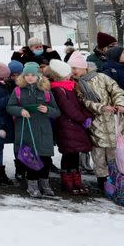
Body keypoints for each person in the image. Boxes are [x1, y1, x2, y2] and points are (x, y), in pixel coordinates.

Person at [72, 51, 124, 193]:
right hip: (96, 124)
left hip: (115, 122)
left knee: (115, 154)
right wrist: (101, 107)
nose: (73, 71)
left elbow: (117, 91)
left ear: (83, 67)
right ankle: (103, 183)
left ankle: (118, 181)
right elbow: (84, 102)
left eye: (75, 68)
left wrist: (120, 104)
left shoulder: (102, 77)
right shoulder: (77, 85)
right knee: (99, 156)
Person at [6, 62, 61, 198]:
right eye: (27, 75)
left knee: (45, 160)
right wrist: (20, 110)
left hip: (43, 131)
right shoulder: (18, 90)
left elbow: (56, 112)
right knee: (30, 159)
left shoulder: (46, 92)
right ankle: (32, 185)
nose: (30, 78)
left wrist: (47, 109)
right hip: (26, 130)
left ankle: (45, 184)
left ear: (39, 76)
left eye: (33, 75)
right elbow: (9, 107)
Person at [47, 59, 92, 195]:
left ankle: (76, 179)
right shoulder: (58, 89)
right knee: (68, 153)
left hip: (76, 125)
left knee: (75, 153)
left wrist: (87, 115)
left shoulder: (71, 86)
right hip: (66, 125)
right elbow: (68, 108)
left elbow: (81, 103)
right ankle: (67, 180)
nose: (70, 75)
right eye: (67, 73)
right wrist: (82, 118)